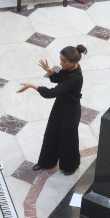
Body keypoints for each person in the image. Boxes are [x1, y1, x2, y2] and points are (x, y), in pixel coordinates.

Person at [19, 45, 86, 175]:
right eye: (60, 59)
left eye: (64, 61)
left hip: (71, 109)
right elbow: (58, 79)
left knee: (68, 137)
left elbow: (52, 92)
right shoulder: (68, 68)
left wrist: (33, 86)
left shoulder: (75, 78)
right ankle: (46, 162)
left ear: (74, 62)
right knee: (52, 132)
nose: (61, 63)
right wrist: (49, 70)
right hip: (60, 105)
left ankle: (70, 165)